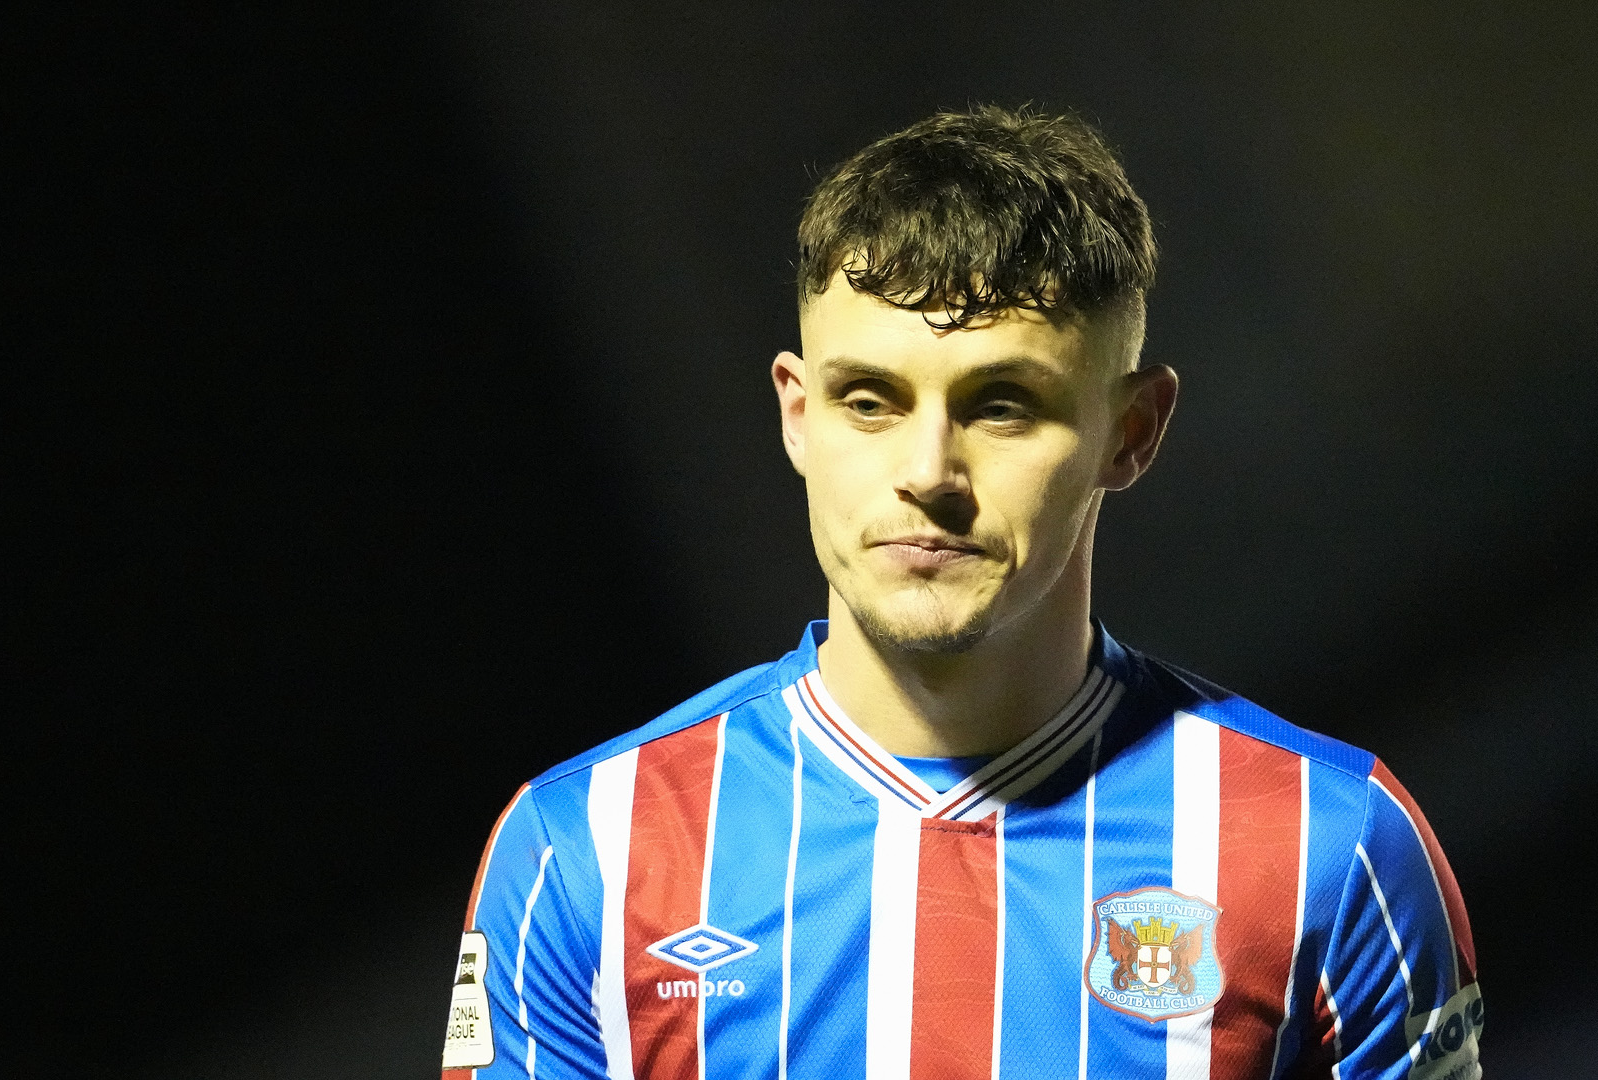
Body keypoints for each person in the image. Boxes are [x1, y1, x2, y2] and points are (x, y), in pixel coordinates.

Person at [440, 105, 1481, 1080]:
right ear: (798, 416)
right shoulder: (583, 850)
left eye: (1002, 405)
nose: (928, 471)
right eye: (868, 401)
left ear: (1131, 432)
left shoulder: (1333, 845)